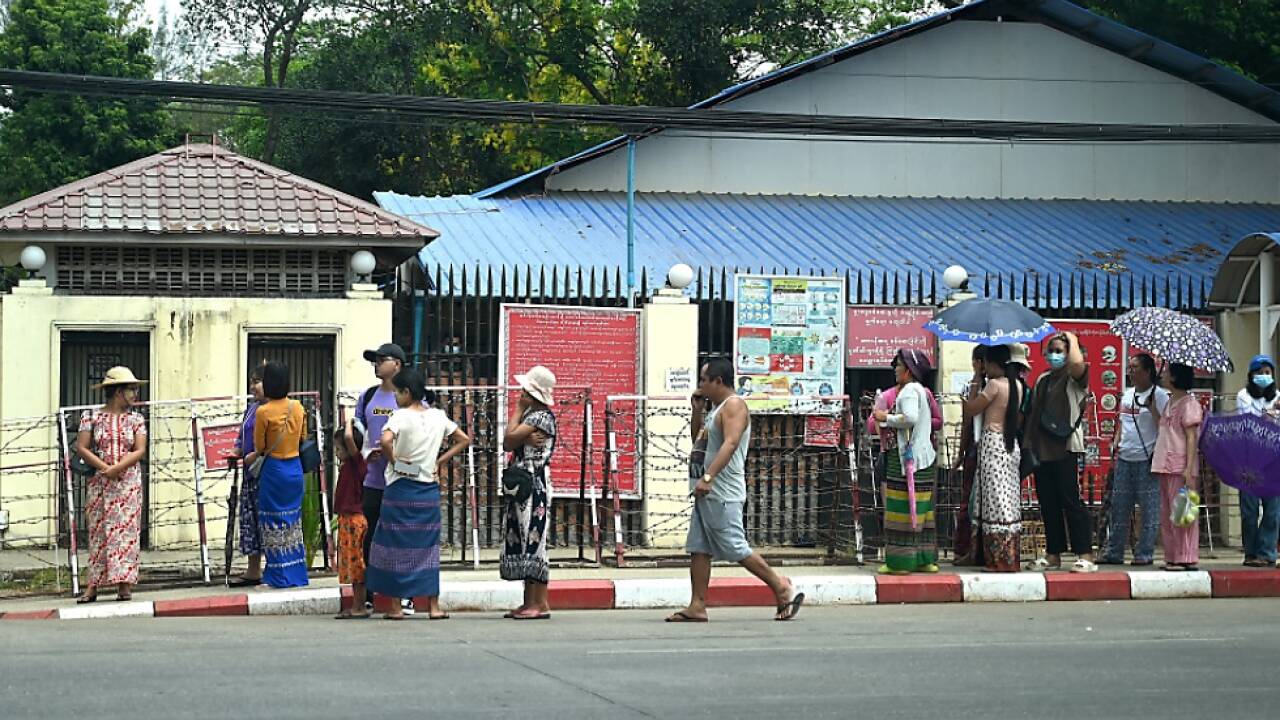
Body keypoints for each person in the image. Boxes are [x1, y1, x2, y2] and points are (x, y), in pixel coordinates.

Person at [666, 358, 804, 622]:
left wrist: (708, 476)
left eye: (704, 380)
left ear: (718, 381)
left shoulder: (734, 406)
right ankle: (697, 605)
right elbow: (699, 439)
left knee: (734, 546)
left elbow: (730, 444)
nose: (700, 386)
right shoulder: (715, 409)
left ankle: (781, 588)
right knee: (699, 547)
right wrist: (696, 410)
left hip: (722, 491)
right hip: (706, 491)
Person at [367, 370, 471, 620]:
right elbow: (464, 439)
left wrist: (396, 464)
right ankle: (434, 606)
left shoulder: (400, 416)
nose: (394, 397)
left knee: (393, 546)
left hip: (401, 487)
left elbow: (385, 441)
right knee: (427, 548)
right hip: (427, 489)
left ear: (407, 393)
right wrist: (439, 461)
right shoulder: (438, 416)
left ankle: (395, 607)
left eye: (396, 393)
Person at [74, 366, 148, 603]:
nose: (134, 394)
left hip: (128, 482)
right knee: (99, 532)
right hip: (100, 482)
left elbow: (140, 449)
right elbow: (82, 447)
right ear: (118, 392)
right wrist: (105, 468)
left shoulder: (136, 419)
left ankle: (124, 584)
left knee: (127, 532)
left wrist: (118, 467)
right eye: (131, 389)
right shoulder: (91, 416)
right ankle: (92, 585)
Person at [1025, 331, 1097, 573]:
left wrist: (1070, 337)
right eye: (1051, 350)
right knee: (1048, 503)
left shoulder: (1074, 378)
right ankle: (1053, 554)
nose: (1054, 355)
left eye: (1059, 351)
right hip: (1042, 449)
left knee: (1071, 501)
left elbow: (1078, 364)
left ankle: (1085, 554)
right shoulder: (1044, 378)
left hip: (1066, 447)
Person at [872, 349, 939, 574]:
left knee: (901, 508)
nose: (895, 369)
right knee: (923, 511)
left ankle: (900, 563)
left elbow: (909, 418)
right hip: (924, 458)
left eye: (898, 365)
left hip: (909, 461)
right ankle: (923, 558)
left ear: (909, 370)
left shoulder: (909, 390)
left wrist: (885, 418)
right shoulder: (921, 390)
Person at [501, 366, 559, 619]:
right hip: (524, 483)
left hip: (535, 484)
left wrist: (516, 411)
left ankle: (540, 602)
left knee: (535, 538)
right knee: (524, 539)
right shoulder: (532, 417)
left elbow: (507, 440)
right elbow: (513, 439)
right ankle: (529, 601)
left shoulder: (540, 418)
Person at [1099, 353, 1167, 566]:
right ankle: (1114, 552)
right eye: (1129, 367)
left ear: (1148, 371)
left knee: (1149, 510)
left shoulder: (1161, 396)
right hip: (1125, 458)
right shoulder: (1127, 395)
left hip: (1147, 459)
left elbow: (1165, 427)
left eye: (1136, 367)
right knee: (1119, 508)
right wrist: (1116, 443)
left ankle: (1144, 553)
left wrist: (1151, 407)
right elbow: (1123, 423)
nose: (1131, 372)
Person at [962, 345, 1025, 572]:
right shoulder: (1016, 385)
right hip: (1009, 446)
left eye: (986, 363)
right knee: (1007, 497)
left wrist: (974, 382)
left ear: (993, 363)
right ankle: (1010, 556)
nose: (984, 368)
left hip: (992, 443)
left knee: (993, 500)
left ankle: (997, 559)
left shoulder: (994, 385)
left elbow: (971, 409)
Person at [356, 342, 408, 611]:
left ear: (396, 364)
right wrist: (366, 453)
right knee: (370, 536)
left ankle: (404, 592)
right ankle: (369, 591)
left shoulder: (409, 398)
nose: (376, 364)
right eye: (374, 360)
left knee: (399, 537)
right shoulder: (367, 397)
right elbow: (358, 433)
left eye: (381, 360)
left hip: (400, 479)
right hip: (373, 479)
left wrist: (394, 451)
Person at [254, 361, 309, 588]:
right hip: (295, 468)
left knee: (272, 521)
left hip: (274, 470)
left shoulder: (263, 412)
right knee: (292, 522)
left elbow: (260, 446)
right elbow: (303, 437)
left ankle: (277, 575)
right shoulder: (297, 407)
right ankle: (296, 573)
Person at [1151, 362, 1203, 571]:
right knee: (1168, 513)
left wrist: (1189, 468)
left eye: (1166, 372)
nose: (1162, 375)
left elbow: (1191, 437)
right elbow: (1163, 427)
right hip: (1164, 463)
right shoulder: (1170, 401)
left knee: (1184, 512)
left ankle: (1186, 556)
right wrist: (1151, 407)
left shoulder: (1189, 403)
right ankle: (1172, 556)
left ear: (1174, 377)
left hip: (1180, 465)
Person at [1235, 354, 1279, 568]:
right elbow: (1247, 423)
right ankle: (1251, 552)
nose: (1264, 376)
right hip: (1249, 461)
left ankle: (1267, 551)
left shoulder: (1278, 396)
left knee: (1273, 510)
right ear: (1251, 375)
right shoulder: (1244, 395)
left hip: (1273, 460)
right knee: (1249, 511)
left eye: (1267, 372)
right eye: (1259, 372)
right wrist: (1267, 417)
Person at [228, 367, 266, 587]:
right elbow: (241, 438)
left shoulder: (276, 409)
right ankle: (253, 570)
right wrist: (236, 452)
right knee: (249, 520)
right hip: (249, 474)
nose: (253, 387)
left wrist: (256, 455)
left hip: (267, 474)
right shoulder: (251, 410)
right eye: (252, 382)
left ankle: (273, 567)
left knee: (267, 520)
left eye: (258, 382)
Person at [954, 345, 988, 565]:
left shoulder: (995, 386)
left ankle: (977, 550)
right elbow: (967, 422)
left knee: (977, 502)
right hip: (976, 449)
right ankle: (966, 549)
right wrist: (961, 452)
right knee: (969, 501)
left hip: (986, 448)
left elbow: (967, 419)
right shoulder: (971, 387)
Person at [333, 420, 369, 619]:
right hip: (347, 519)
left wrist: (349, 421)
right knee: (351, 564)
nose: (337, 453)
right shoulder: (348, 465)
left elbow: (348, 437)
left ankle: (359, 606)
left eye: (339, 449)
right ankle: (357, 604)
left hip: (355, 520)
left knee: (357, 566)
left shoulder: (357, 463)